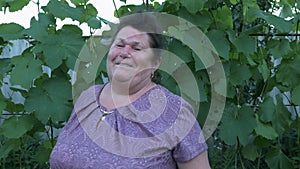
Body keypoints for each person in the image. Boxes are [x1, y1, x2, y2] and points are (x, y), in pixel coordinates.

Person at [50, 12, 211, 169]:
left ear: (155, 63)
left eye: (136, 48)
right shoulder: (88, 99)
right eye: (119, 45)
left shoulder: (174, 113)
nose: (124, 52)